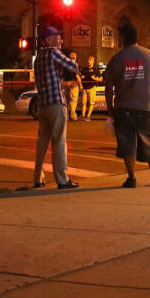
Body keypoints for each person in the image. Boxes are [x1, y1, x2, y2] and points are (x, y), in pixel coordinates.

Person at [104, 22, 150, 188]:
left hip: (123, 107)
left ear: (123, 38)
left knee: (126, 143)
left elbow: (108, 86)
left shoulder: (116, 58)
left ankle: (131, 178)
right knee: (149, 141)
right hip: (144, 107)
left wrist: (110, 108)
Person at [31, 26, 80, 190]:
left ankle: (38, 177)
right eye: (57, 36)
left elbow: (42, 81)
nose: (60, 39)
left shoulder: (38, 58)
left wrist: (63, 82)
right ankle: (62, 179)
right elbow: (72, 66)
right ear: (48, 40)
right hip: (56, 103)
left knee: (42, 142)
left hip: (43, 104)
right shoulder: (53, 52)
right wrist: (73, 62)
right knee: (59, 142)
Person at [79, 55, 101, 121]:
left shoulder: (96, 69)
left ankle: (88, 116)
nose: (89, 62)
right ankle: (83, 116)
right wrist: (81, 77)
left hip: (92, 87)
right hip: (85, 88)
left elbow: (101, 78)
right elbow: (80, 77)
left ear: (93, 61)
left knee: (91, 103)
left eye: (90, 60)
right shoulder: (84, 69)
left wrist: (95, 78)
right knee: (83, 103)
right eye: (88, 60)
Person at [62, 50, 82, 121]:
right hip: (73, 84)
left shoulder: (65, 64)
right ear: (75, 57)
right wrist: (80, 85)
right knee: (73, 100)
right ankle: (73, 115)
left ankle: (66, 115)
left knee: (66, 100)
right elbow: (77, 76)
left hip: (66, 84)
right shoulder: (74, 65)